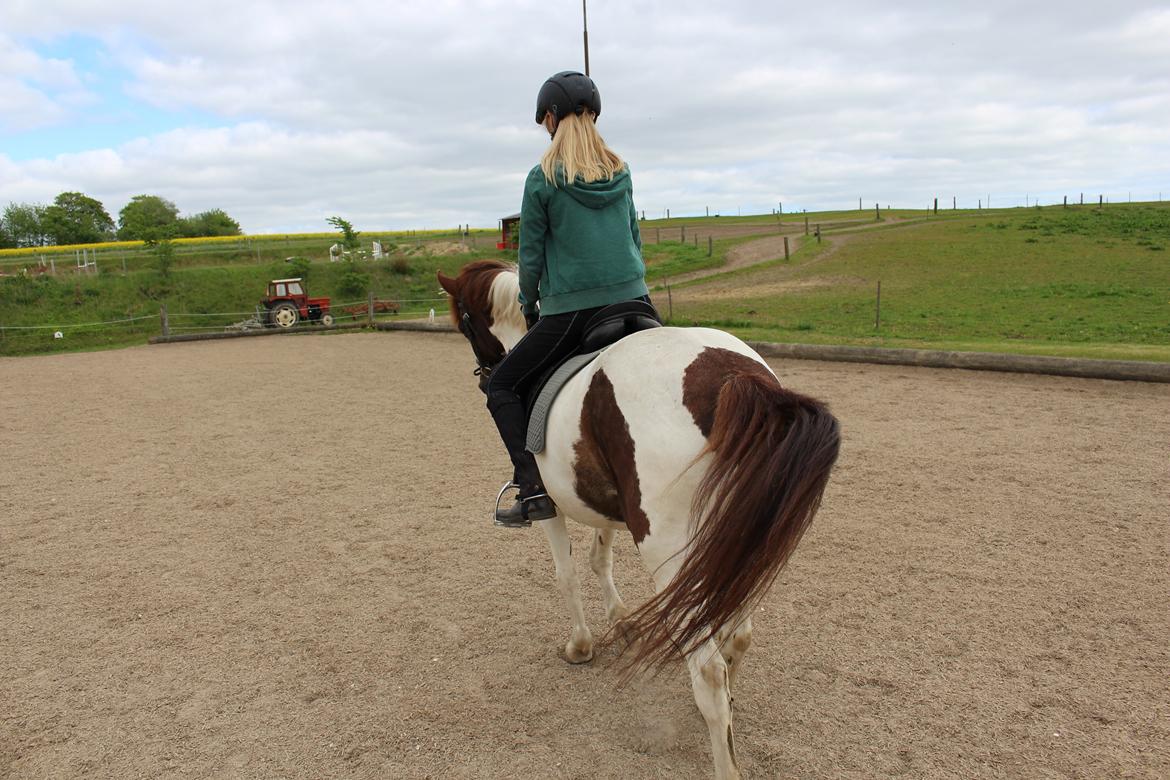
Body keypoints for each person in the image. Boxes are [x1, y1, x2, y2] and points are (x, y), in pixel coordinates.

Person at [487, 70, 651, 528]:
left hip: (574, 311)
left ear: (552, 119)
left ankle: (533, 488)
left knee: (501, 385)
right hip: (637, 301)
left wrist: (528, 301)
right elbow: (633, 239)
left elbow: (531, 253)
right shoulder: (622, 171)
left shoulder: (541, 178)